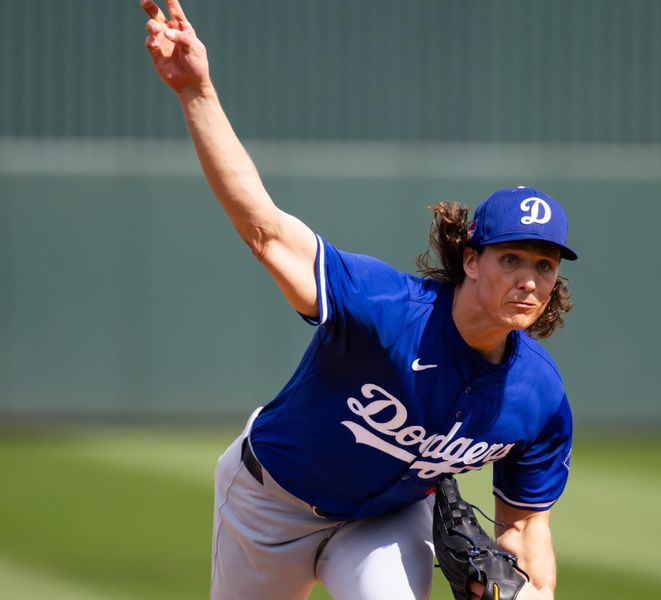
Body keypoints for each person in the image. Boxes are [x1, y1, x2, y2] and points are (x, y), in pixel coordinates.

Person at [140, 2, 576, 599]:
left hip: (385, 521)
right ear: (470, 260)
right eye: (511, 259)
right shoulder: (386, 307)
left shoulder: (539, 396)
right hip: (271, 503)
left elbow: (525, 529)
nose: (529, 278)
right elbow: (265, 231)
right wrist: (196, 90)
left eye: (544, 265)